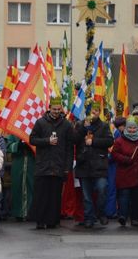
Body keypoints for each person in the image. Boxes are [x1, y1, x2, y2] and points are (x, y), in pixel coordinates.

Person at [29, 98, 74, 229]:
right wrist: (47, 141)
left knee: (55, 196)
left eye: (58, 109)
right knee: (41, 195)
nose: (56, 112)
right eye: (54, 109)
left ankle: (52, 221)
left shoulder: (66, 125)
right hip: (43, 165)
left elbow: (69, 148)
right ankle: (40, 220)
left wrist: (67, 167)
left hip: (58, 165)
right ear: (49, 108)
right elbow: (32, 139)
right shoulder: (40, 122)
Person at [73, 102, 114, 228]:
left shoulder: (104, 126)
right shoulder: (80, 124)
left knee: (102, 189)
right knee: (86, 195)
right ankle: (89, 218)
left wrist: (94, 141)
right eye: (92, 111)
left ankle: (100, 212)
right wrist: (83, 129)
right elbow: (74, 140)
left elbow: (109, 141)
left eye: (96, 110)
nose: (94, 113)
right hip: (84, 164)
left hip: (99, 164)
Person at [111, 117, 138, 227]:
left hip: (137, 173)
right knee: (124, 196)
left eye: (134, 128)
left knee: (136, 197)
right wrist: (125, 159)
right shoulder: (120, 141)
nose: (132, 130)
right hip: (124, 173)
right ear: (125, 128)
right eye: (129, 128)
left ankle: (135, 218)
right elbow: (114, 154)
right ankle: (123, 216)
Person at [7, 135, 35, 221]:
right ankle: (18, 212)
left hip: (32, 163)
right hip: (18, 162)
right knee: (17, 187)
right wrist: (19, 143)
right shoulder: (13, 134)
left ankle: (31, 212)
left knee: (32, 186)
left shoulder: (34, 132)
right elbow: (9, 146)